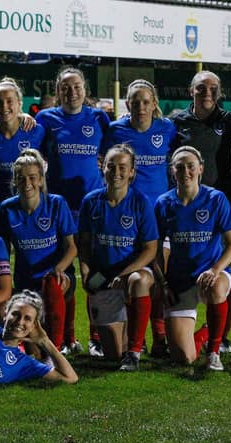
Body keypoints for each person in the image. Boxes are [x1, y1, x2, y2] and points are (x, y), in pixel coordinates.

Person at [35, 67, 111, 357]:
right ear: (58, 90)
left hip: (92, 207)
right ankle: (67, 338)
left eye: (76, 86)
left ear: (85, 89)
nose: (72, 92)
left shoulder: (99, 118)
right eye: (66, 87)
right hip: (59, 208)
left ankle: (97, 337)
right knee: (63, 274)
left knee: (94, 272)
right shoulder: (45, 119)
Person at [103, 79, 177, 357]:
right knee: (126, 275)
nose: (141, 106)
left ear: (154, 103)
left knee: (158, 276)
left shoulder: (168, 128)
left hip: (159, 216)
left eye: (146, 101)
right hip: (126, 214)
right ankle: (131, 335)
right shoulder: (114, 130)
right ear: (127, 104)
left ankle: (158, 336)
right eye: (135, 101)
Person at [170, 70, 231, 354]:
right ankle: (171, 331)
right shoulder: (176, 121)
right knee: (181, 260)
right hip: (184, 204)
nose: (207, 92)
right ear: (191, 91)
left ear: (220, 92)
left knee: (223, 268)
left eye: (213, 88)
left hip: (219, 205)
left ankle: (221, 337)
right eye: (201, 88)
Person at [155, 146, 231, 370]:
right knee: (183, 357)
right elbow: (155, 250)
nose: (186, 172)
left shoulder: (216, 199)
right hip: (179, 281)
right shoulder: (163, 203)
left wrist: (216, 269)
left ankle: (214, 351)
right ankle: (207, 330)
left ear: (200, 168)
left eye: (191, 166)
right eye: (180, 167)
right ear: (172, 171)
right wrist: (163, 283)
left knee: (215, 287)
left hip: (210, 274)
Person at [78, 145, 159, 370]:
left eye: (123, 167)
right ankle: (124, 340)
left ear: (132, 172)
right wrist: (85, 272)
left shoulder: (141, 202)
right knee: (113, 354)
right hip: (103, 276)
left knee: (139, 281)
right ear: (102, 167)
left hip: (131, 271)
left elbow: (151, 249)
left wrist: (125, 273)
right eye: (111, 166)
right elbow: (83, 243)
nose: (117, 172)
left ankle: (135, 352)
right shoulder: (90, 202)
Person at [0, 149, 77, 352]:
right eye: (21, 179)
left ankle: (56, 350)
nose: (27, 183)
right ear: (15, 181)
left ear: (41, 180)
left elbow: (72, 247)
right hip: (26, 282)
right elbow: (2, 251)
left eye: (32, 178)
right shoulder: (7, 209)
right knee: (33, 351)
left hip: (57, 277)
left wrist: (58, 269)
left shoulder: (56, 203)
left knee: (51, 283)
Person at [0, 77, 45, 228]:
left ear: (19, 103)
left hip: (27, 202)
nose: (4, 106)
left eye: (9, 101)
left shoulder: (36, 131)